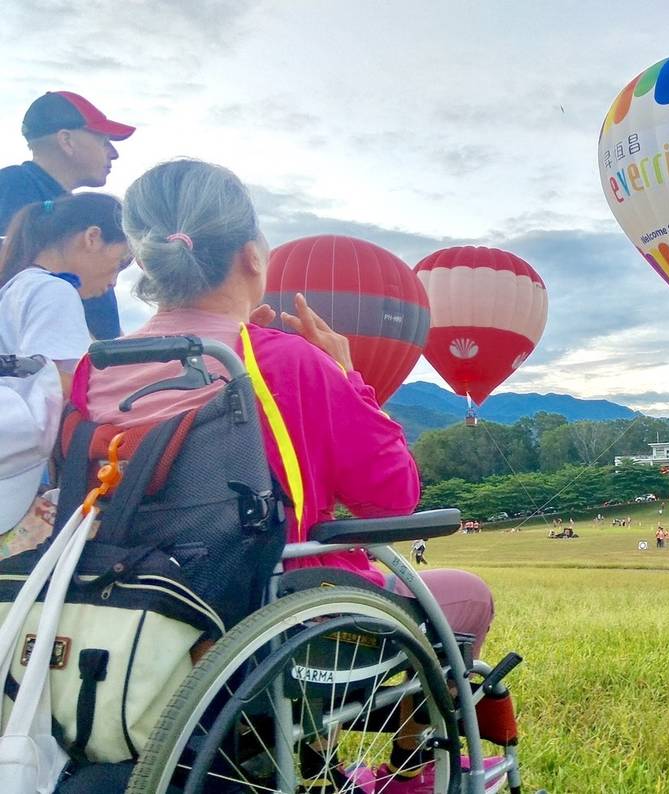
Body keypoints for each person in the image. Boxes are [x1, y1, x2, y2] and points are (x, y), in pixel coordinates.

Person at [79, 160, 494, 788]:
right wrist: (345, 376)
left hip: (120, 623)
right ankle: (410, 767)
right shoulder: (288, 362)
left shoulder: (95, 368)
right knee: (468, 596)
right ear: (250, 256)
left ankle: (293, 756)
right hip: (270, 628)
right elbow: (394, 496)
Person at [0, 92, 135, 340]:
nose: (113, 153)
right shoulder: (12, 187)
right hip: (52, 368)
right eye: (104, 140)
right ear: (66, 140)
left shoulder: (69, 208)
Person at [0, 193, 128, 394]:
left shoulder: (17, 288)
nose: (114, 281)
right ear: (92, 238)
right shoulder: (54, 291)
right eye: (121, 262)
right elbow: (60, 385)